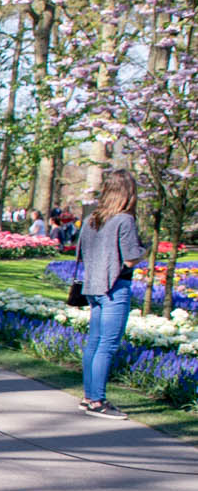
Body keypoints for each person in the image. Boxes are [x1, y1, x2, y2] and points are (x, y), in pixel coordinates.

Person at [79, 168, 146, 416]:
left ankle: (88, 396)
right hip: (115, 287)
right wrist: (145, 251)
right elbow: (130, 258)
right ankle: (98, 401)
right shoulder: (125, 220)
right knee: (107, 345)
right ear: (129, 193)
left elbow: (81, 252)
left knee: (94, 342)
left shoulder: (92, 219)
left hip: (93, 286)